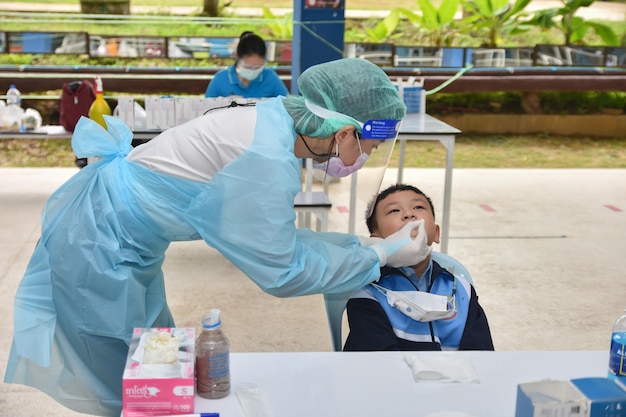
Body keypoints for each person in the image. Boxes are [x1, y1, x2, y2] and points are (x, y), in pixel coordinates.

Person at [4, 58, 432, 417]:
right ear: (343, 133)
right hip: (97, 245)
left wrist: (367, 248)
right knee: (136, 384)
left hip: (121, 237)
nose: (366, 158)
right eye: (370, 148)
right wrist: (381, 253)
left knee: (154, 366)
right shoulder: (264, 161)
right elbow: (284, 271)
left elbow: (280, 242)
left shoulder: (271, 120)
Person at [344, 184, 494, 351]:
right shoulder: (367, 292)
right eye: (394, 210)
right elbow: (379, 361)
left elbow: (482, 356)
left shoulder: (461, 290)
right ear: (376, 240)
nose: (409, 214)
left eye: (418, 207)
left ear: (436, 233)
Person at [205, 31, 289, 99]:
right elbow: (206, 112)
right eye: (248, 67)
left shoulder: (270, 77)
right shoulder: (220, 79)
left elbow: (288, 108)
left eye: (257, 67)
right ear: (237, 57)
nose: (252, 71)